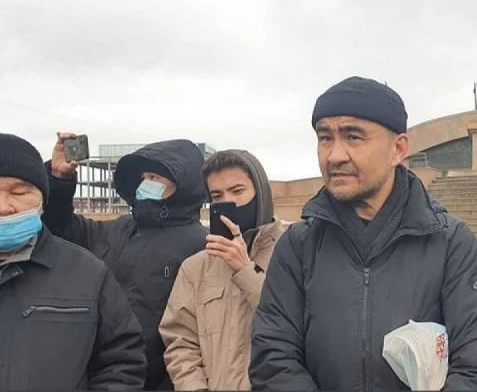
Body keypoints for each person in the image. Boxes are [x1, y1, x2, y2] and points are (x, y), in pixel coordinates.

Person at [249, 76, 477, 390]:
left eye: (353, 137)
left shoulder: (450, 242)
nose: (334, 155)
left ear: (398, 149)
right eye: (325, 138)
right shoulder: (298, 245)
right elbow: (273, 360)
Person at [43, 133, 209, 390]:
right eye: (143, 178)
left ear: (182, 184)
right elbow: (61, 229)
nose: (145, 184)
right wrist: (59, 179)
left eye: (155, 178)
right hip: (105, 375)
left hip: (165, 380)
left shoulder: (202, 243)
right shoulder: (117, 229)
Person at [0, 133, 146, 390]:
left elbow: (121, 362)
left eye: (19, 192)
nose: (4, 207)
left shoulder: (89, 274)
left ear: (42, 201)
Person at [160, 149, 287, 390]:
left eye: (237, 191)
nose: (229, 202)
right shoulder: (195, 267)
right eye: (218, 196)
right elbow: (180, 342)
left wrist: (246, 271)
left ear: (260, 192)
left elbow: (297, 323)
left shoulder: (295, 251)